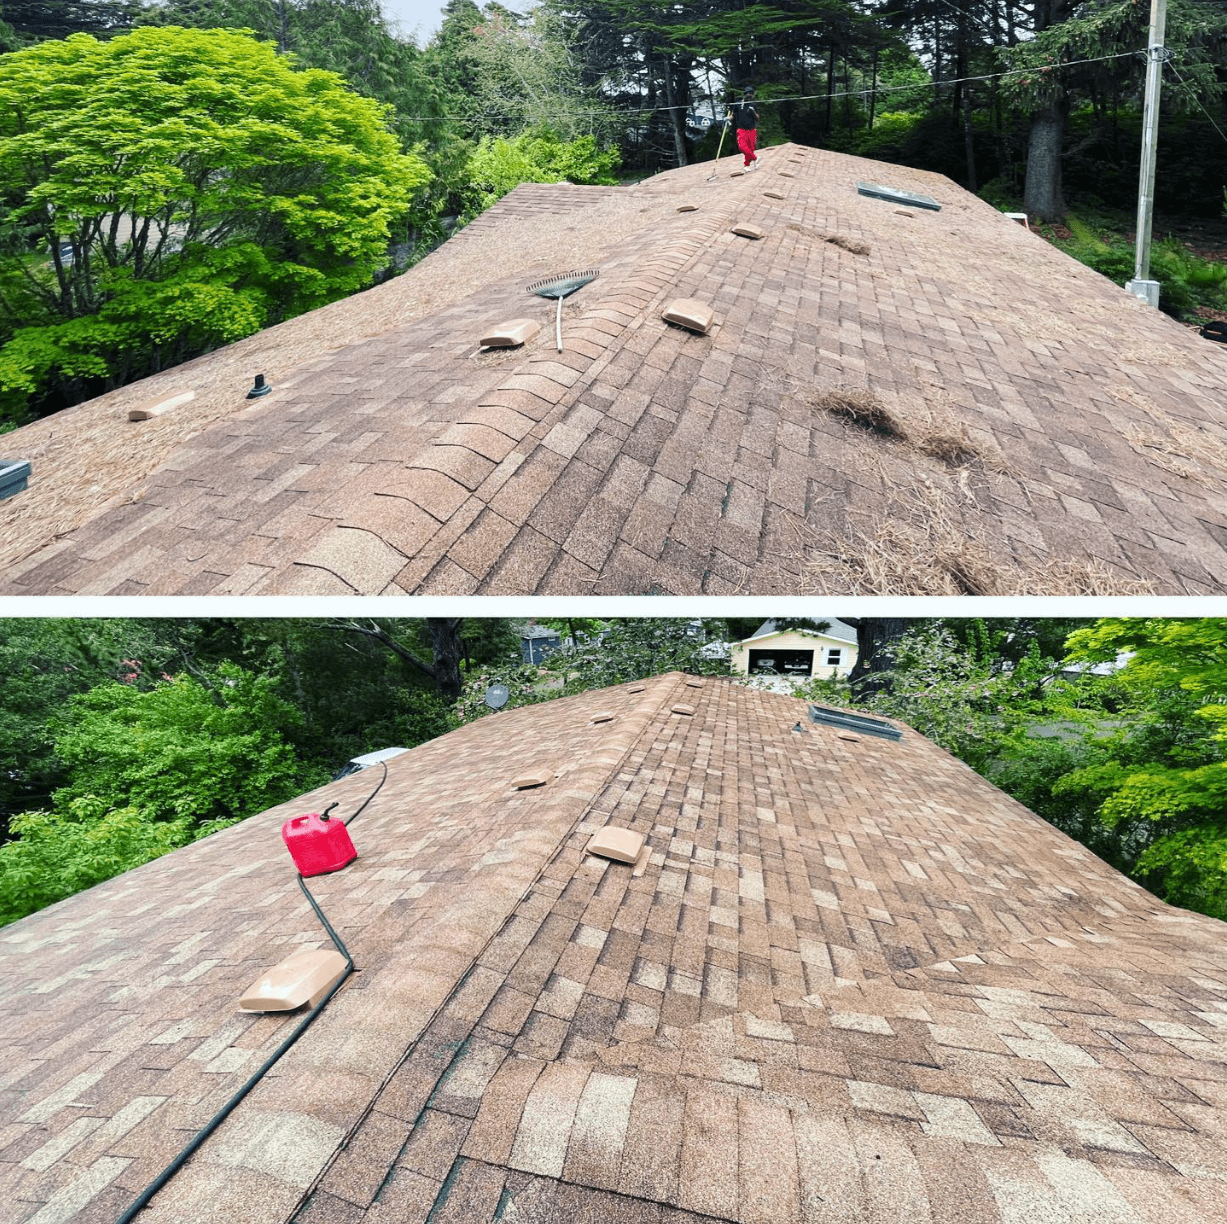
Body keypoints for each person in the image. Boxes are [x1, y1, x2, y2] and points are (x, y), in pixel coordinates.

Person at [734, 87, 758, 170]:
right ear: (745, 94)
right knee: (742, 147)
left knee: (751, 148)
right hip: (741, 129)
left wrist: (753, 112)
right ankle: (756, 158)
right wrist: (728, 119)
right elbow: (732, 114)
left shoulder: (753, 105)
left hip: (752, 129)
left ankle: (746, 165)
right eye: (748, 93)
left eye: (751, 94)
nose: (750, 95)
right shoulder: (738, 104)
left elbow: (758, 118)